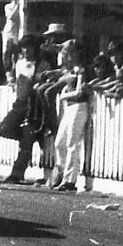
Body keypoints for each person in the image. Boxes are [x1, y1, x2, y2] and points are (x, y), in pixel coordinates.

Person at [5, 34, 52, 184]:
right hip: (19, 103)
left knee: (26, 141)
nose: (26, 50)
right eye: (24, 47)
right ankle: (32, 137)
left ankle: (16, 174)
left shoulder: (42, 64)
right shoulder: (19, 62)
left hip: (34, 104)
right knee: (4, 128)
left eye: (29, 47)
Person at [49, 39, 91, 191]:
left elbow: (80, 92)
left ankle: (70, 180)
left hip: (79, 107)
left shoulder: (81, 70)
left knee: (72, 143)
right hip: (69, 108)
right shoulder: (71, 69)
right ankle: (61, 174)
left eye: (68, 52)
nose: (66, 55)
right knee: (59, 142)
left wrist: (64, 96)